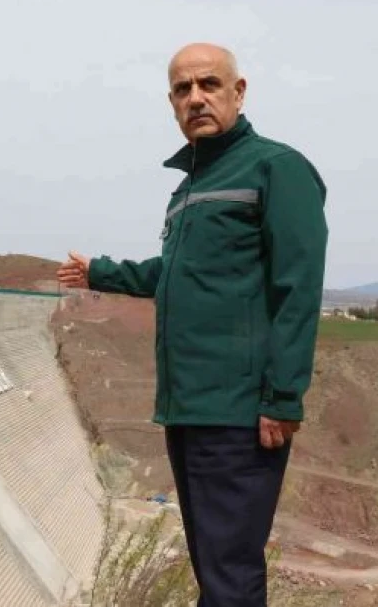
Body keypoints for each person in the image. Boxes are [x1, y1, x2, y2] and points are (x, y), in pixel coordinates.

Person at [56, 42, 328, 606]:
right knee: (214, 568)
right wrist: (100, 272)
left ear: (239, 91)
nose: (196, 98)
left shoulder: (277, 168)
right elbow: (179, 274)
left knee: (229, 574)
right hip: (189, 406)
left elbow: (297, 289)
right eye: (183, 89)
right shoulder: (189, 188)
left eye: (209, 84)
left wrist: (282, 397)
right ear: (171, 102)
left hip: (238, 411)